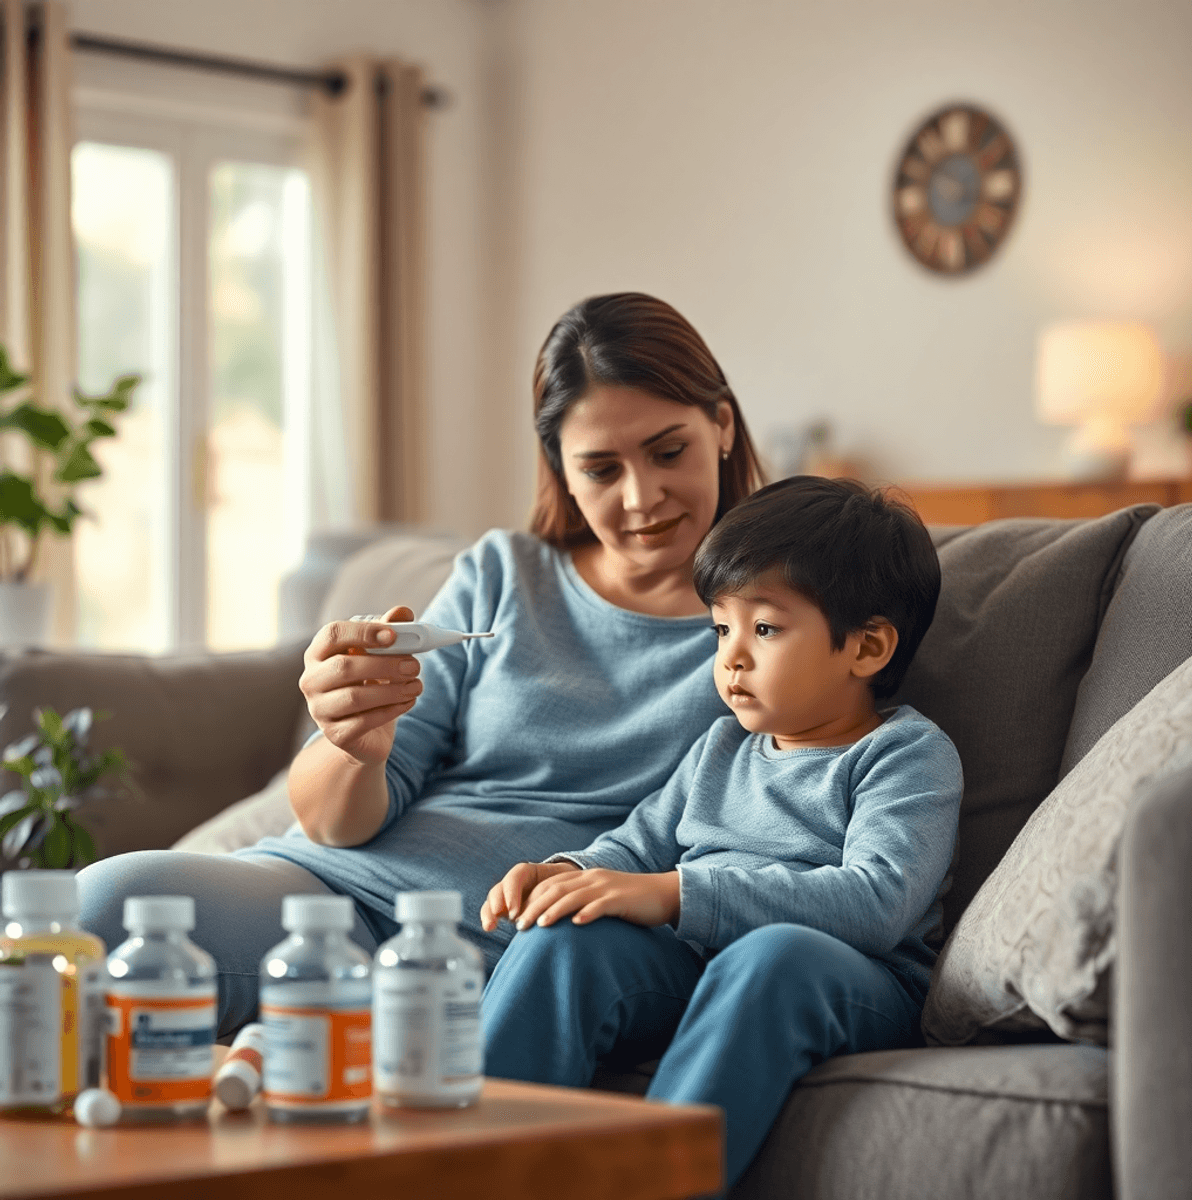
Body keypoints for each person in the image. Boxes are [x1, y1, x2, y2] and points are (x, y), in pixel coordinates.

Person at [76, 292, 766, 1035]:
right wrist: (352, 742)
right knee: (104, 901)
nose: (642, 497)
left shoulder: (781, 616)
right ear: (561, 472)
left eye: (668, 452)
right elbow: (335, 823)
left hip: (516, 946)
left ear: (721, 425)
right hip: (335, 890)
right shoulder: (505, 574)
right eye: (601, 469)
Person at [477, 475, 963, 1188]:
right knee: (563, 934)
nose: (731, 656)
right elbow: (634, 847)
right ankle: (463, 1169)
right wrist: (565, 873)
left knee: (771, 956)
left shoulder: (905, 755)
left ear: (866, 648)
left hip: (843, 980)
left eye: (764, 629)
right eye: (720, 628)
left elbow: (876, 902)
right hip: (697, 962)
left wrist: (679, 894)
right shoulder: (720, 750)